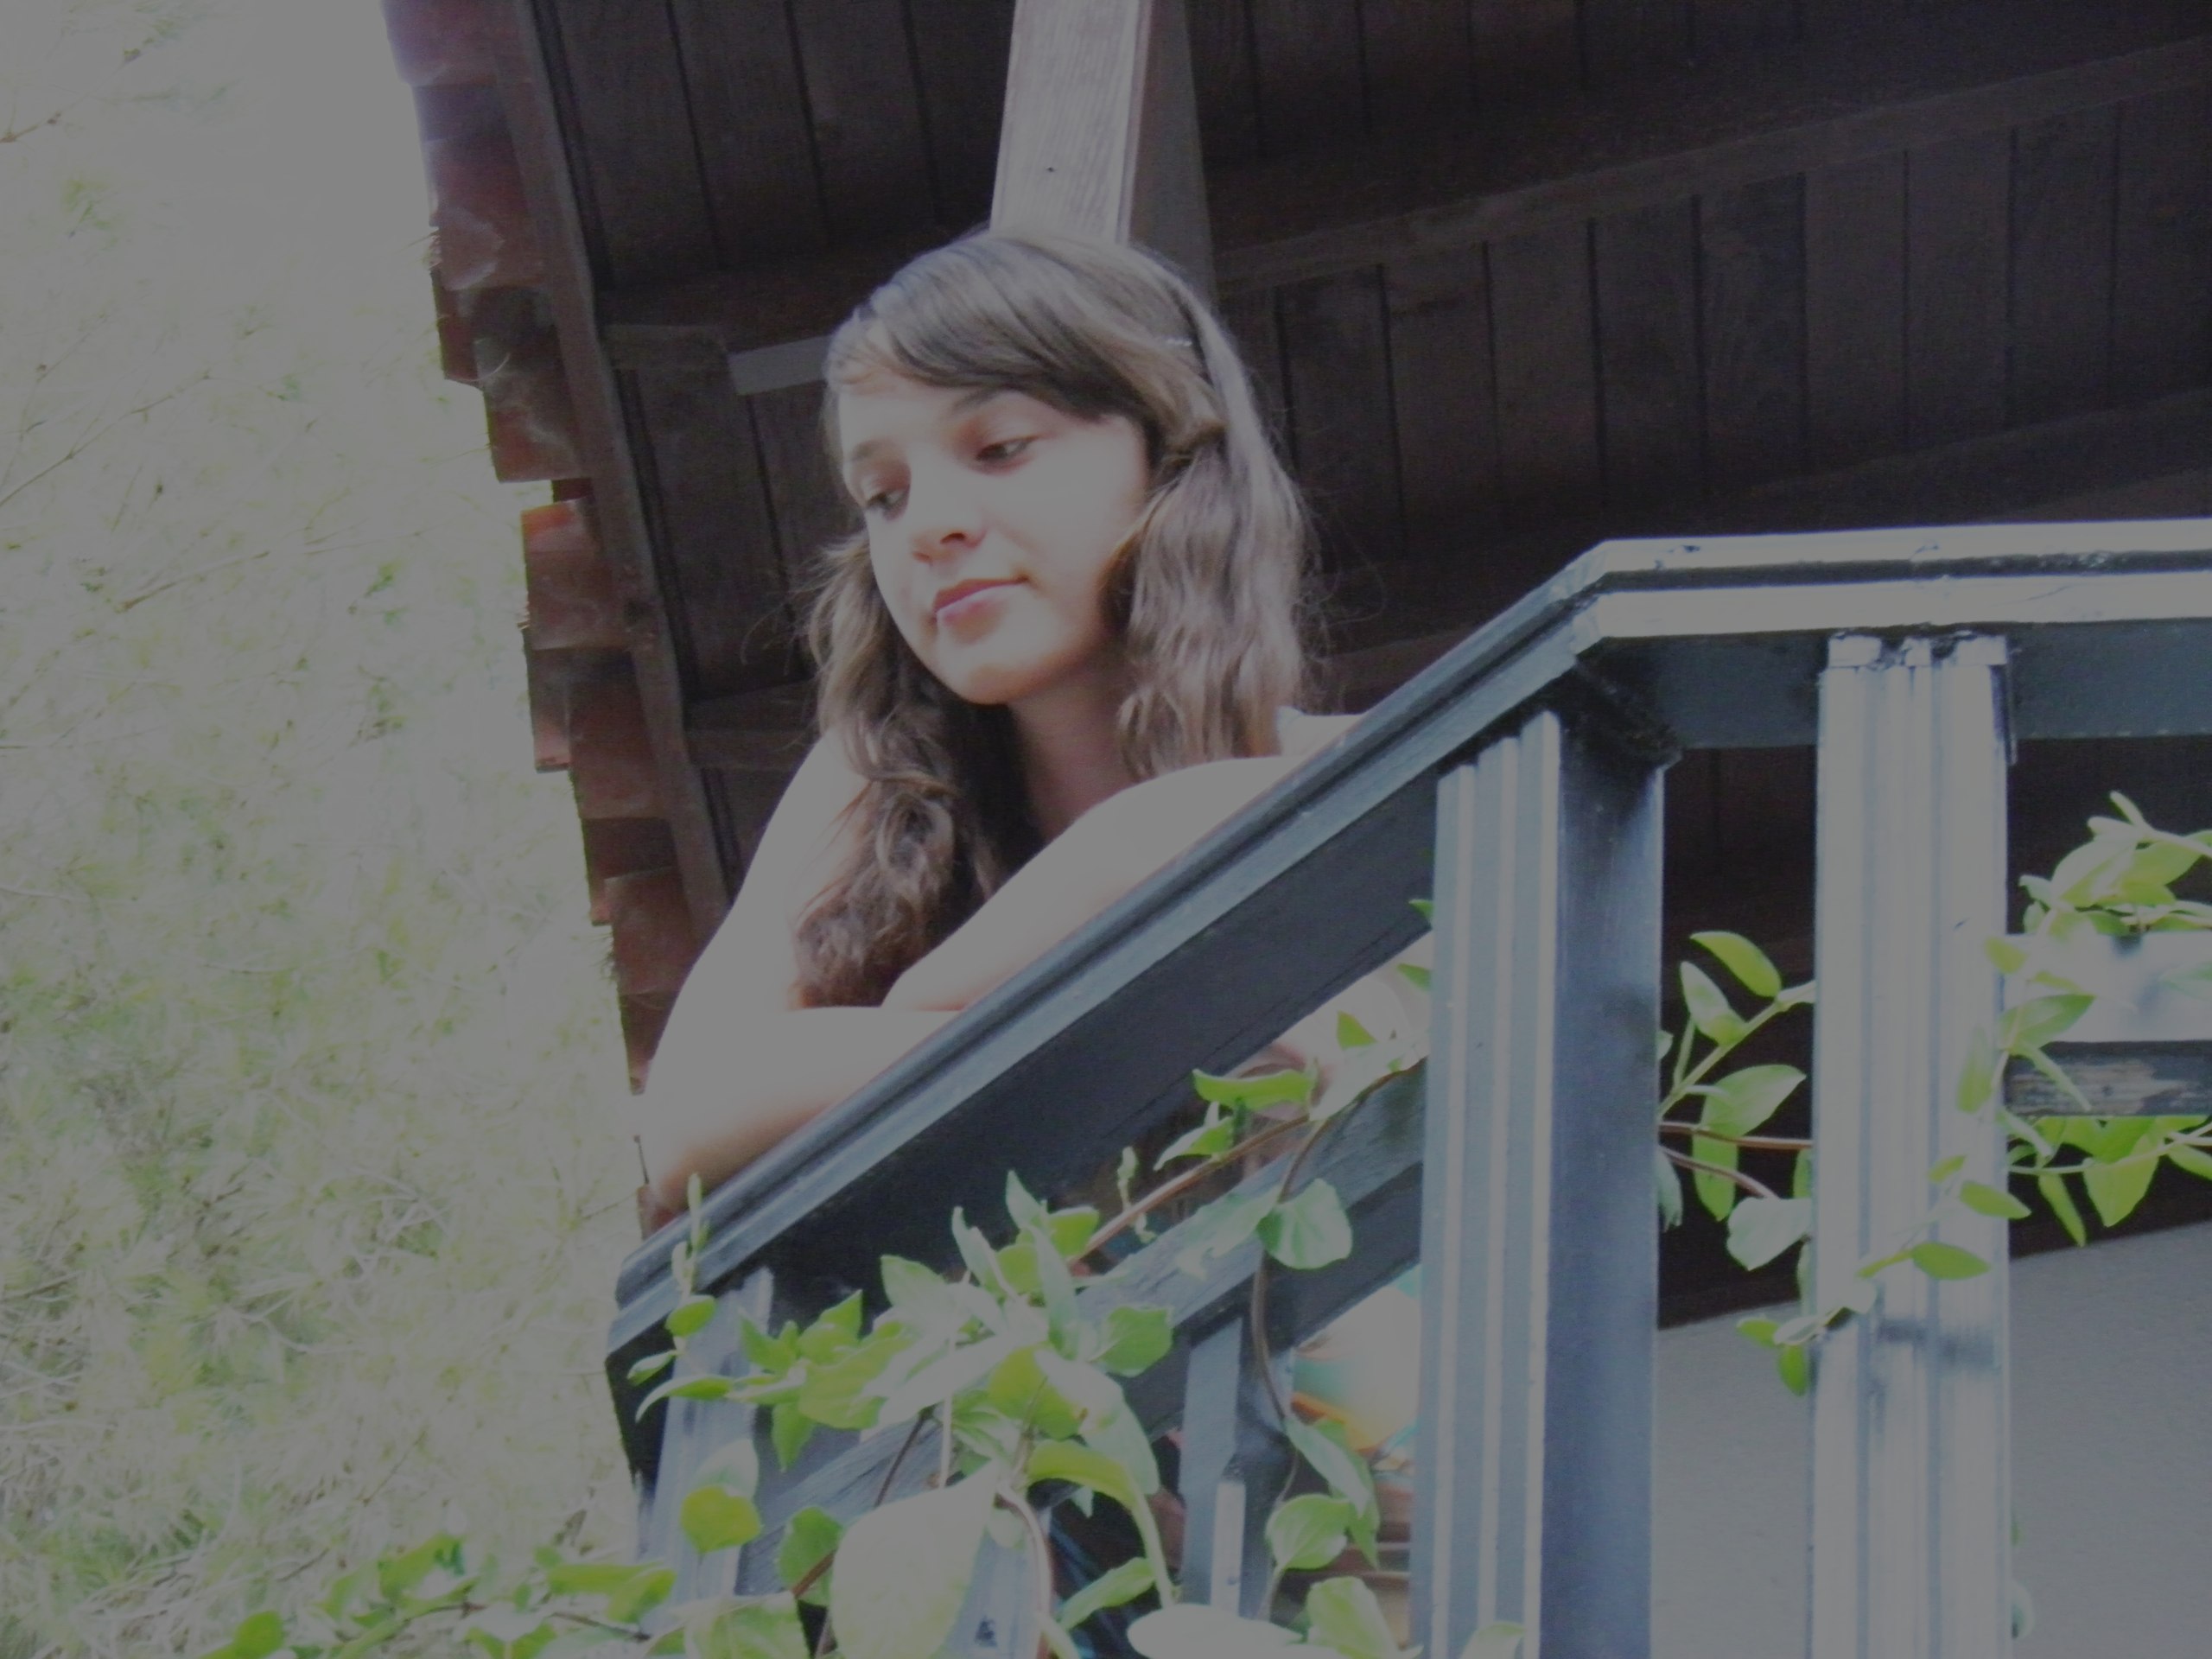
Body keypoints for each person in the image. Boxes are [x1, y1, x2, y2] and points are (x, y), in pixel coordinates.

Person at [633, 231, 1394, 1214]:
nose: (928, 526)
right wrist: (1124, 941)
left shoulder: (1354, 776)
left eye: (1000, 450)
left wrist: (1126, 854)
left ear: (1165, 455)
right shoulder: (878, 775)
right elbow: (687, 1117)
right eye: (883, 496)